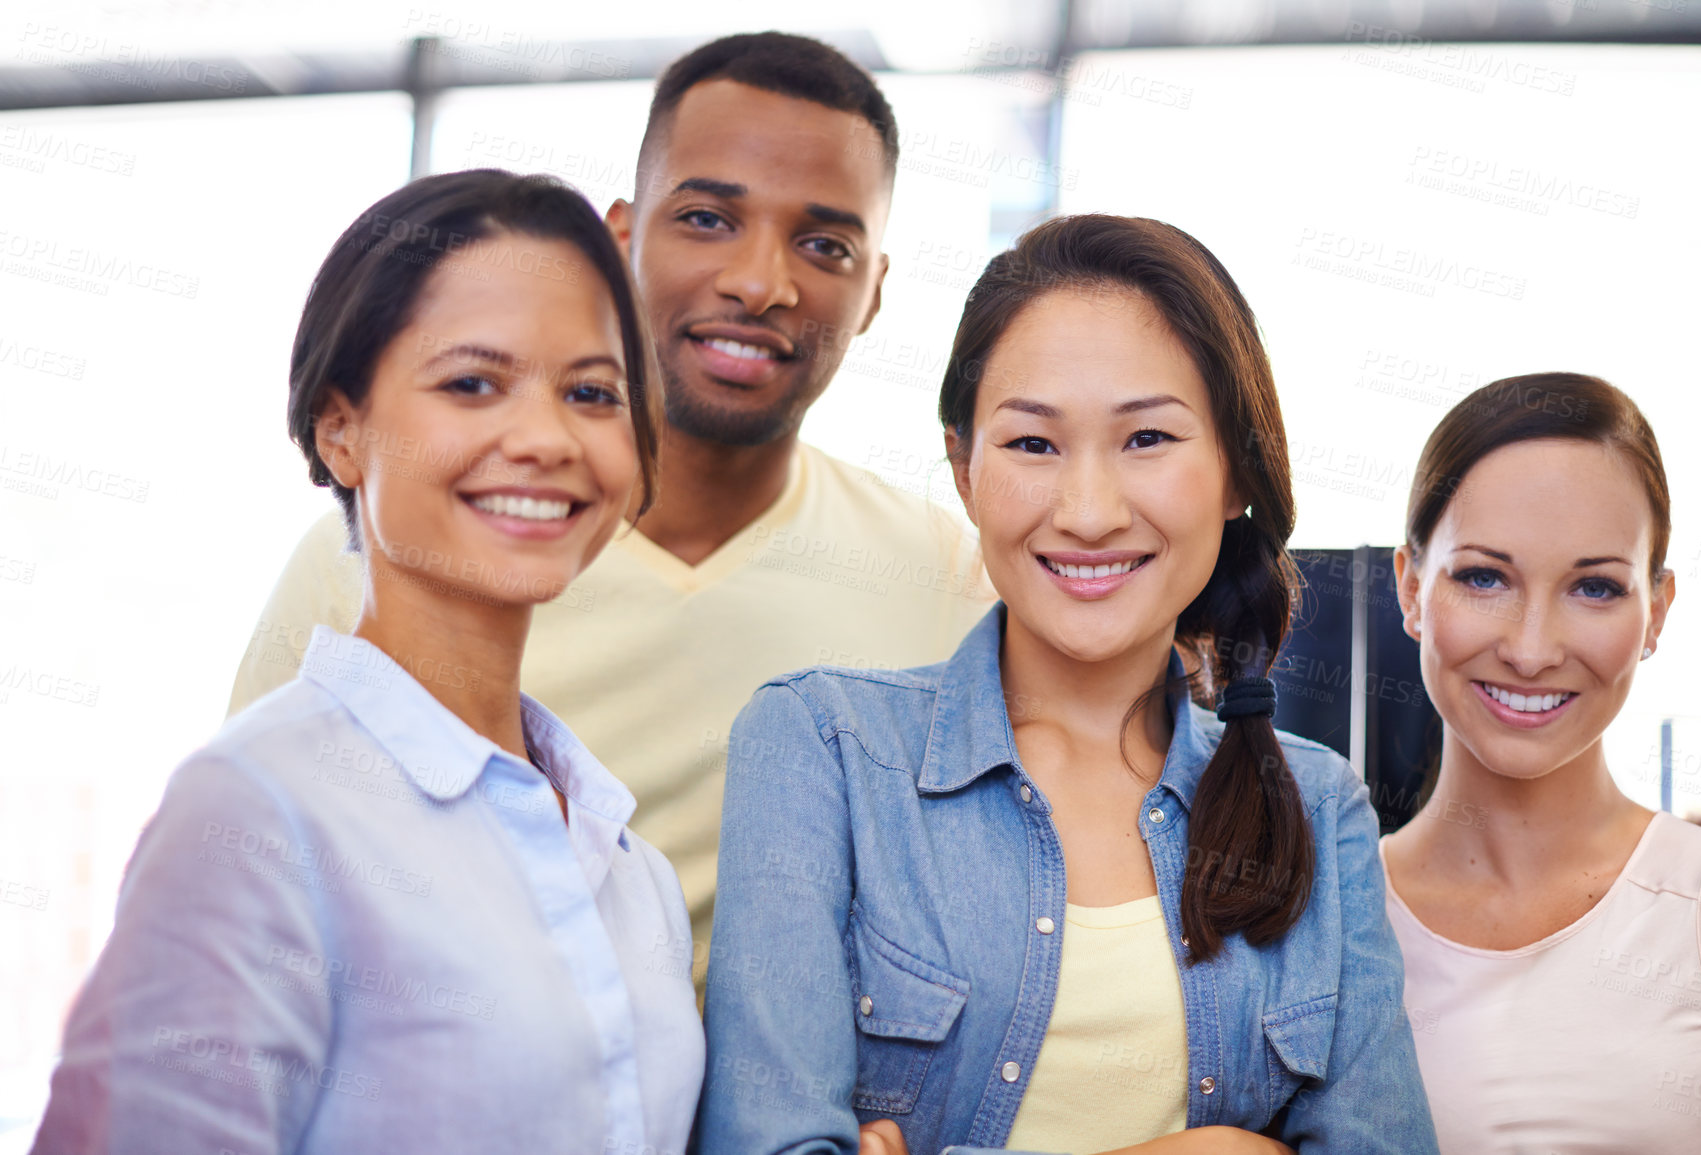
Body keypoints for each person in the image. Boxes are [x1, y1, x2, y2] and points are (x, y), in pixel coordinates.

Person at [226, 34, 993, 979]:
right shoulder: (377, 559)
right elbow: (244, 913)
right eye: (709, 218)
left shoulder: (948, 578)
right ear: (621, 239)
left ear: (873, 291)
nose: (760, 283)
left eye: (825, 244)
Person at [698, 215, 1437, 1155]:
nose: (1087, 513)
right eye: (1032, 445)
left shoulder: (1318, 803)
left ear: (1235, 473)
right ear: (963, 469)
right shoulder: (821, 748)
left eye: (1148, 438)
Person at [32, 170, 703, 1153]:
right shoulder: (256, 814)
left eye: (592, 393)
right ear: (340, 429)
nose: (545, 438)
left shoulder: (625, 867)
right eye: (472, 383)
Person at [1381, 373, 1701, 1153]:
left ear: (1657, 610)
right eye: (1482, 576)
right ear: (1409, 586)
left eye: (1595, 586)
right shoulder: (1326, 928)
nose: (1531, 648)